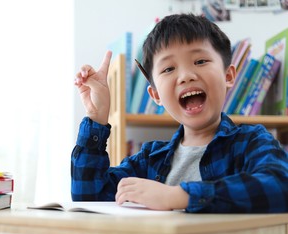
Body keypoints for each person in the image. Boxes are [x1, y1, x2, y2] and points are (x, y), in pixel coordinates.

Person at [72, 13, 288, 213]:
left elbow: (280, 186)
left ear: (228, 75)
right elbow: (89, 197)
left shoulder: (250, 142)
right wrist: (97, 117)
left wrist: (179, 196)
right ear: (155, 94)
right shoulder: (150, 159)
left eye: (200, 61)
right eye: (168, 69)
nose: (186, 76)